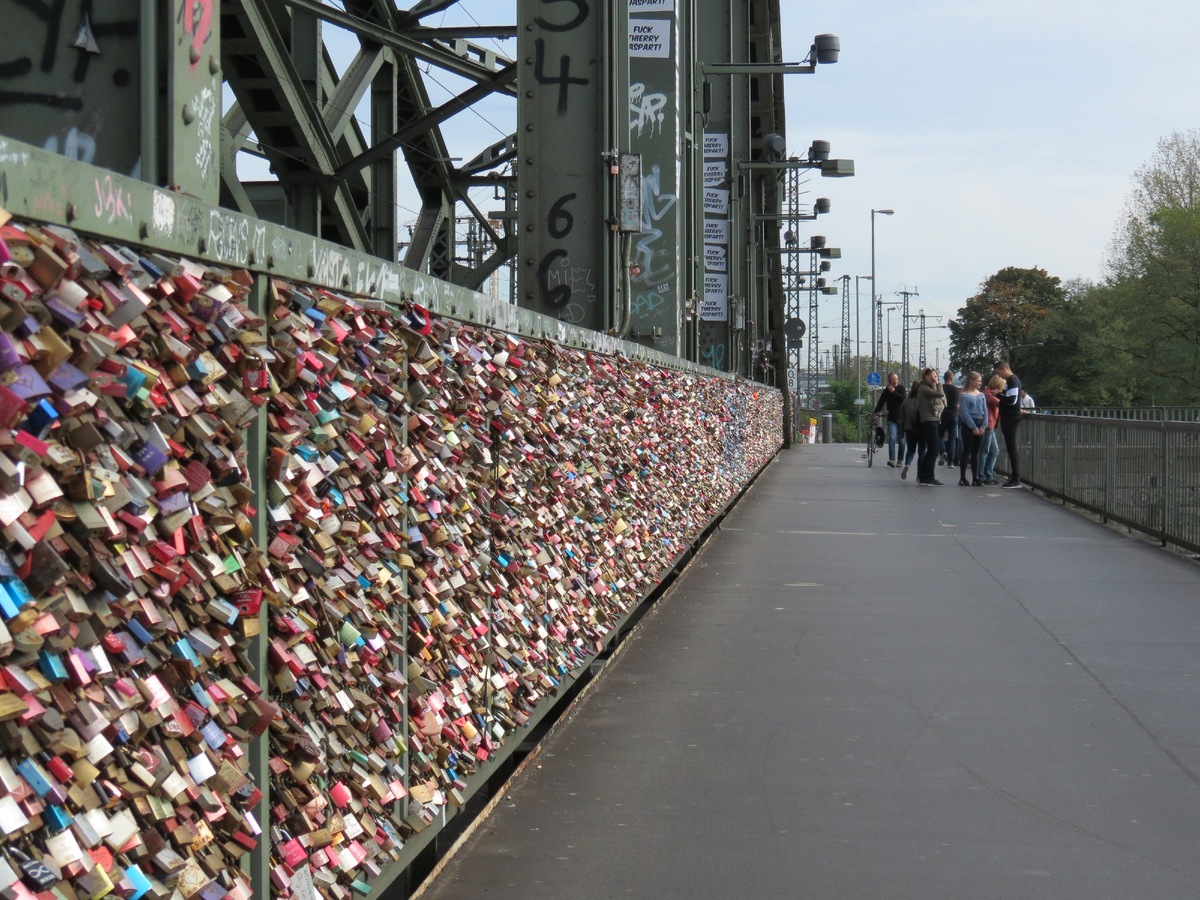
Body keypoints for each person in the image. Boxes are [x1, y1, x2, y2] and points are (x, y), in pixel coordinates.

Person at [994, 360, 1024, 488]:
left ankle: (1016, 478)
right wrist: (1000, 395)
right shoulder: (1010, 382)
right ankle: (1014, 477)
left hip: (1011, 418)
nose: (999, 376)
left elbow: (1011, 400)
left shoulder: (1013, 381)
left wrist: (998, 395)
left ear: (1004, 369)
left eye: (999, 372)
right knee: (1011, 447)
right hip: (1008, 418)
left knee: (1012, 448)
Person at [916, 368, 946, 485]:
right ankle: (928, 476)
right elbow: (940, 394)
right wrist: (938, 383)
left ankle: (924, 475)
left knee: (931, 450)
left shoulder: (926, 388)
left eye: (936, 375)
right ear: (926, 376)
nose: (935, 377)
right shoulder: (924, 388)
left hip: (932, 420)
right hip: (929, 420)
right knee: (934, 450)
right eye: (933, 375)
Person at [957, 372, 988, 486]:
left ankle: (976, 477)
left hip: (980, 423)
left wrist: (984, 425)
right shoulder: (964, 395)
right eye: (978, 380)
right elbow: (964, 412)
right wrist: (973, 427)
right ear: (972, 381)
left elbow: (985, 411)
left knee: (976, 452)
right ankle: (963, 477)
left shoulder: (981, 395)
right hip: (969, 425)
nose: (980, 383)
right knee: (967, 450)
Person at [871, 372, 907, 467]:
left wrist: (894, 392)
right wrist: (875, 412)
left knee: (902, 440)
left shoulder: (901, 388)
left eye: (896, 379)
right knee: (891, 438)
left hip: (902, 419)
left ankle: (900, 460)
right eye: (893, 379)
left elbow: (903, 399)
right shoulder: (886, 391)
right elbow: (881, 403)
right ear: (889, 381)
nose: (895, 381)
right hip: (892, 419)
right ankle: (892, 460)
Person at [977, 375, 1003, 485]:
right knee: (985, 451)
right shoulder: (988, 394)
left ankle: (987, 475)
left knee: (994, 451)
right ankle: (983, 476)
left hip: (990, 426)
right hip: (987, 425)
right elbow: (1002, 404)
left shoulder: (987, 393)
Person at [898, 381, 922, 480]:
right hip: (921, 429)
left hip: (909, 429)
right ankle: (919, 475)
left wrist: (901, 432)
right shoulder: (922, 402)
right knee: (922, 452)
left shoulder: (906, 401)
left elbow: (901, 419)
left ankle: (907, 464)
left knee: (911, 450)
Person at [939, 370, 961, 467]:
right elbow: (958, 404)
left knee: (940, 435)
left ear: (944, 378)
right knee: (952, 438)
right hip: (953, 415)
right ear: (951, 378)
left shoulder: (940, 389)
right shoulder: (956, 390)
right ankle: (951, 462)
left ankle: (943, 451)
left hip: (942, 415)